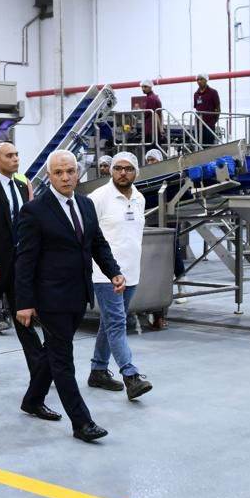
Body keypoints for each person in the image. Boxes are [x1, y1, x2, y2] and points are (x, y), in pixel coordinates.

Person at [14, 150, 125, 443]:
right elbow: (25, 261)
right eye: (59, 173)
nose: (65, 177)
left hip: (79, 294)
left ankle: (32, 400)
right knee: (63, 360)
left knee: (53, 352)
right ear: (49, 176)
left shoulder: (86, 204)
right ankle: (82, 422)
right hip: (50, 298)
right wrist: (24, 302)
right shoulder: (35, 211)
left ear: (78, 172)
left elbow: (97, 243)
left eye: (70, 171)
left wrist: (113, 271)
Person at [0, 142, 48, 393]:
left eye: (17, 155)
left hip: (18, 267)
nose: (15, 159)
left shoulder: (22, 187)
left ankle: (39, 369)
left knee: (24, 318)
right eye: (9, 155)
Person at [87, 152, 154, 401]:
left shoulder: (139, 198)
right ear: (111, 170)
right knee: (117, 323)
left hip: (131, 272)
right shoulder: (98, 198)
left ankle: (98, 371)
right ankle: (130, 375)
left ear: (136, 172)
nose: (122, 172)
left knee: (109, 323)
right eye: (118, 168)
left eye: (128, 168)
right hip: (105, 274)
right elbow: (89, 236)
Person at [193, 73, 221, 145]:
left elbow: (218, 108)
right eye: (198, 80)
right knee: (198, 144)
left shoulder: (213, 92)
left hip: (209, 124)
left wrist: (214, 121)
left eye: (201, 79)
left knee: (209, 145)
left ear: (206, 80)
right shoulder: (196, 94)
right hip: (199, 125)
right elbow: (197, 108)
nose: (199, 81)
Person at [139, 79, 164, 145]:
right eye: (142, 87)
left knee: (150, 149)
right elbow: (159, 114)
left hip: (150, 130)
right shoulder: (155, 97)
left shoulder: (150, 98)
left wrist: (160, 128)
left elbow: (154, 114)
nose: (143, 89)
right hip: (155, 129)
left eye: (145, 87)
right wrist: (161, 128)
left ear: (150, 87)